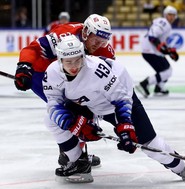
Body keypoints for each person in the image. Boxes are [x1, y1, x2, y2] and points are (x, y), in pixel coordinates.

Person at [43, 34, 185, 183]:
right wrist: (74, 124)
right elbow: (53, 104)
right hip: (88, 103)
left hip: (118, 101)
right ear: (60, 59)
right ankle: (78, 162)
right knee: (51, 119)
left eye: (78, 60)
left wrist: (125, 127)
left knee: (149, 143)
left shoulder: (98, 71)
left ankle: (181, 168)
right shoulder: (52, 73)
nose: (73, 66)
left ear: (83, 57)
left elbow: (120, 99)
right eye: (68, 61)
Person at [14, 14, 115, 167]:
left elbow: (108, 78)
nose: (98, 44)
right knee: (65, 112)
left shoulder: (105, 50)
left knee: (86, 112)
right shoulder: (65, 34)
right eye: (95, 39)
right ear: (86, 32)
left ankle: (75, 152)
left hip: (71, 77)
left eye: (103, 41)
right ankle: (71, 154)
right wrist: (24, 67)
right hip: (43, 75)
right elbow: (33, 49)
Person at [136, 6, 179, 98]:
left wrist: (167, 50)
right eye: (169, 15)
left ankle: (159, 88)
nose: (171, 17)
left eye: (173, 15)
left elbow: (158, 40)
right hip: (150, 51)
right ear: (165, 15)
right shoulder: (164, 23)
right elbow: (153, 36)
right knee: (166, 72)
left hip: (151, 50)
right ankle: (144, 84)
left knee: (167, 70)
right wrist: (165, 50)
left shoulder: (164, 23)